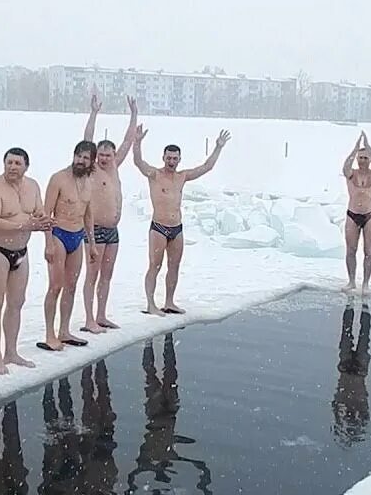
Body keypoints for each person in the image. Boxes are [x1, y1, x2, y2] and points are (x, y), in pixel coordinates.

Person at [132, 126, 231, 316]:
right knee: (155, 265)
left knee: (174, 266)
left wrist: (218, 147)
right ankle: (151, 304)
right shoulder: (155, 174)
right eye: (168, 158)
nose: (171, 161)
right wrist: (137, 142)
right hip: (158, 228)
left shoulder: (182, 176)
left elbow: (206, 167)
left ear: (179, 159)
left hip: (176, 228)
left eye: (175, 158)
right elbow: (138, 162)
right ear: (163, 158)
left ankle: (169, 302)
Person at [0, 147, 52, 374]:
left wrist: (44, 223)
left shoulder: (32, 186)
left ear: (26, 167)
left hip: (21, 250)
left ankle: (11, 351)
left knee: (16, 302)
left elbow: (39, 212)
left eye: (17, 164)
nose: (12, 167)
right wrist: (24, 225)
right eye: (9, 163)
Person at [80, 90, 138, 333]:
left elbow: (128, 141)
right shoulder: (92, 169)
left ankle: (102, 315)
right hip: (95, 230)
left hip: (113, 231)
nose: (104, 158)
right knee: (92, 275)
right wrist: (94, 112)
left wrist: (134, 114)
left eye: (108, 155)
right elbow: (87, 138)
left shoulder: (115, 166)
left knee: (107, 275)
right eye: (101, 155)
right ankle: (89, 319)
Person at [39, 141, 99, 352]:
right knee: (56, 286)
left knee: (71, 286)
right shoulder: (59, 179)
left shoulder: (90, 182)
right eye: (78, 156)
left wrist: (91, 244)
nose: (80, 161)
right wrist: (48, 243)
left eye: (85, 158)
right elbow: (46, 214)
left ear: (92, 161)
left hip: (77, 234)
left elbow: (88, 214)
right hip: (59, 234)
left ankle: (64, 331)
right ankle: (49, 334)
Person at [342, 131, 371, 292]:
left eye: (365, 158)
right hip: (352, 214)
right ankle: (351, 281)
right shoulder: (352, 174)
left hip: (369, 215)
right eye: (360, 158)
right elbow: (345, 167)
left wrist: (369, 146)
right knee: (351, 250)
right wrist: (355, 149)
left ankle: (365, 283)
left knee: (369, 251)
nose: (363, 161)